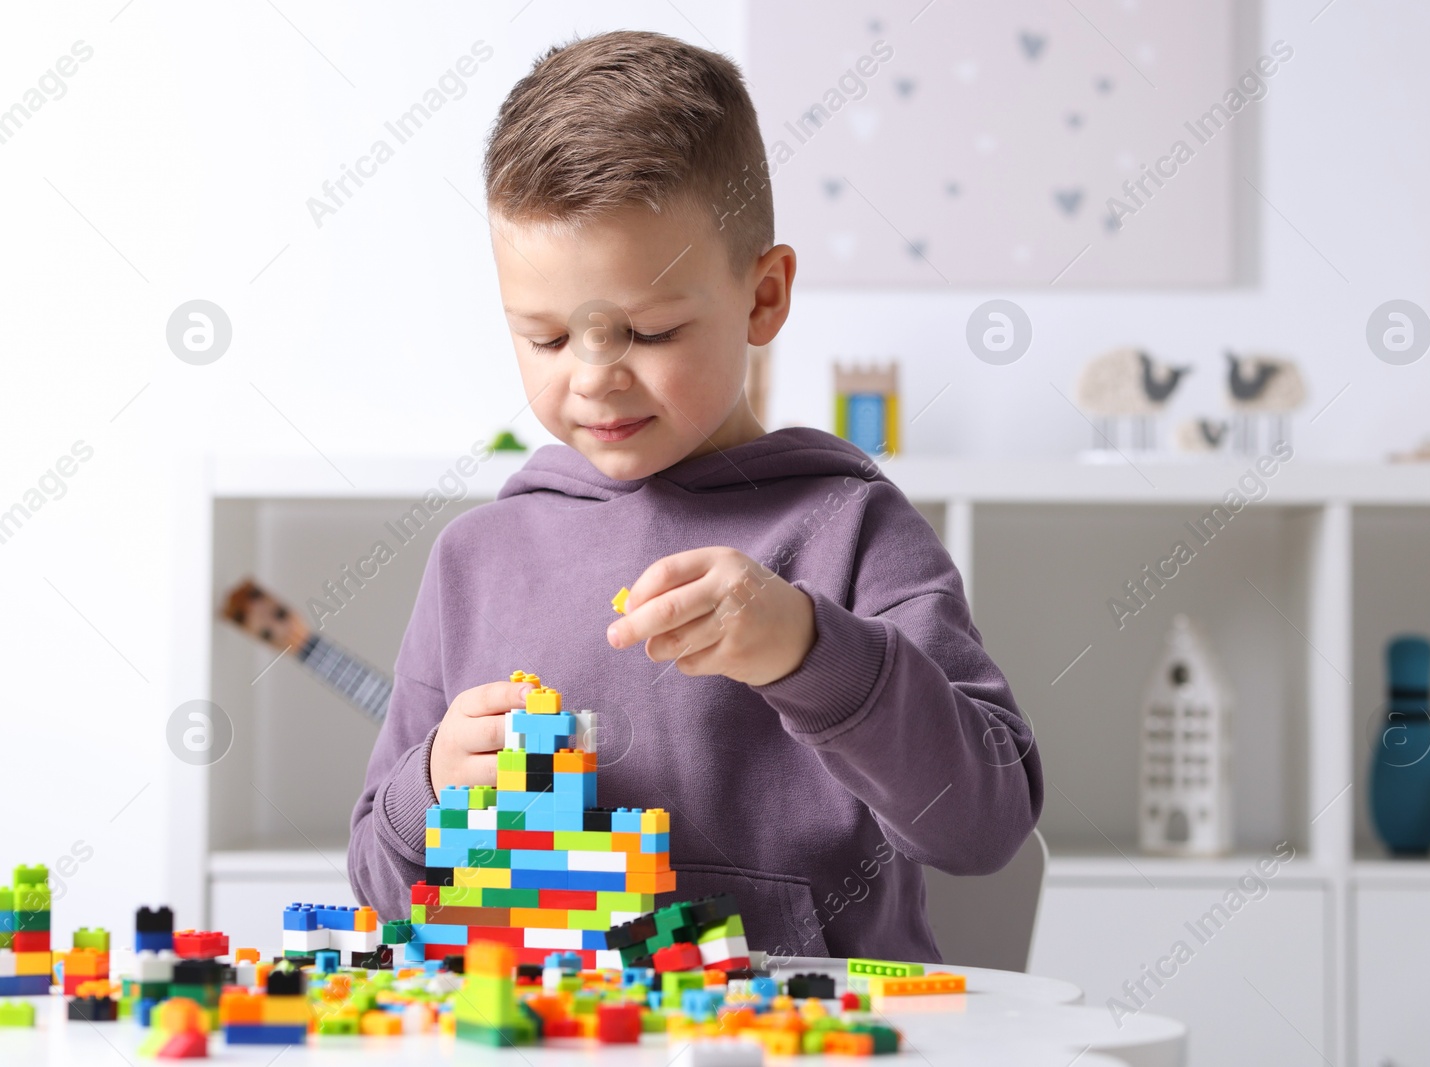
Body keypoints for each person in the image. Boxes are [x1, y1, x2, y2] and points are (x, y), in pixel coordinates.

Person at [349, 28, 1043, 963]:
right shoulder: (478, 558)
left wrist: (810, 648)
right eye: (548, 339)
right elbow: (377, 886)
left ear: (763, 298)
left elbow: (983, 822)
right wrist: (431, 783)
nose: (594, 378)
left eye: (648, 330)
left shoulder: (848, 528)